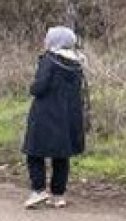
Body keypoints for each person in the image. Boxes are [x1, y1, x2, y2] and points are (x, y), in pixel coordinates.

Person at [22, 26, 87, 209]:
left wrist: (32, 87)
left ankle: (38, 190)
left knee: (34, 152)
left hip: (45, 113)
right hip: (69, 116)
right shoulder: (77, 62)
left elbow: (39, 87)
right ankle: (58, 195)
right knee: (61, 155)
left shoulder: (49, 60)